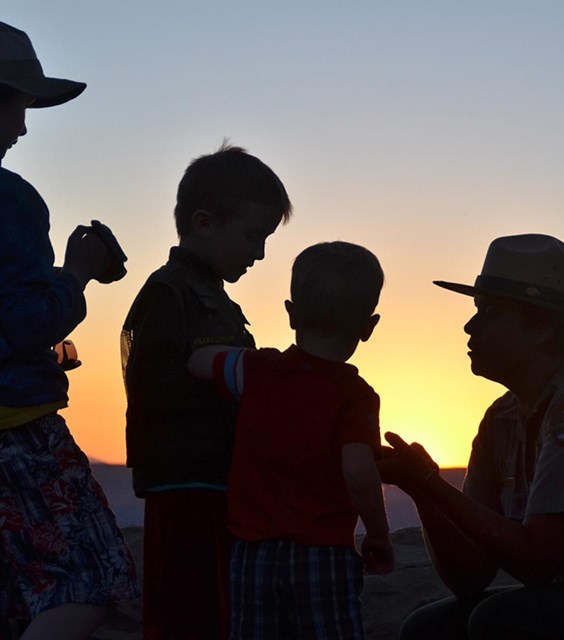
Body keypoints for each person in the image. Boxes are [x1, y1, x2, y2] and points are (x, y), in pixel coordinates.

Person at [380, 233, 564, 640]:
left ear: (541, 327)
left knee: (499, 621)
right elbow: (469, 578)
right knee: (428, 629)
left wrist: (431, 483)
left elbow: (539, 560)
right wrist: (422, 491)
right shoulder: (501, 418)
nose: (469, 325)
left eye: (489, 312)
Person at [0, 21, 139, 640]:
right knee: (92, 579)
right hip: (17, 431)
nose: (23, 127)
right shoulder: (12, 201)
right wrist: (77, 274)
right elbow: (26, 323)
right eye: (19, 107)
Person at [121, 143, 292, 639]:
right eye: (252, 236)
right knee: (186, 614)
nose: (258, 253)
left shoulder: (214, 297)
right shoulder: (167, 293)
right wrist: (242, 381)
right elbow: (152, 388)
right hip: (183, 485)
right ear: (204, 222)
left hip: (217, 483)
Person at [188, 240, 394, 639]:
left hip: (251, 554)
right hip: (323, 554)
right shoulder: (355, 395)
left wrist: (235, 355)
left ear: (291, 314)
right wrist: (379, 534)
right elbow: (357, 469)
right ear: (369, 327)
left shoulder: (256, 369)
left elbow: (197, 363)